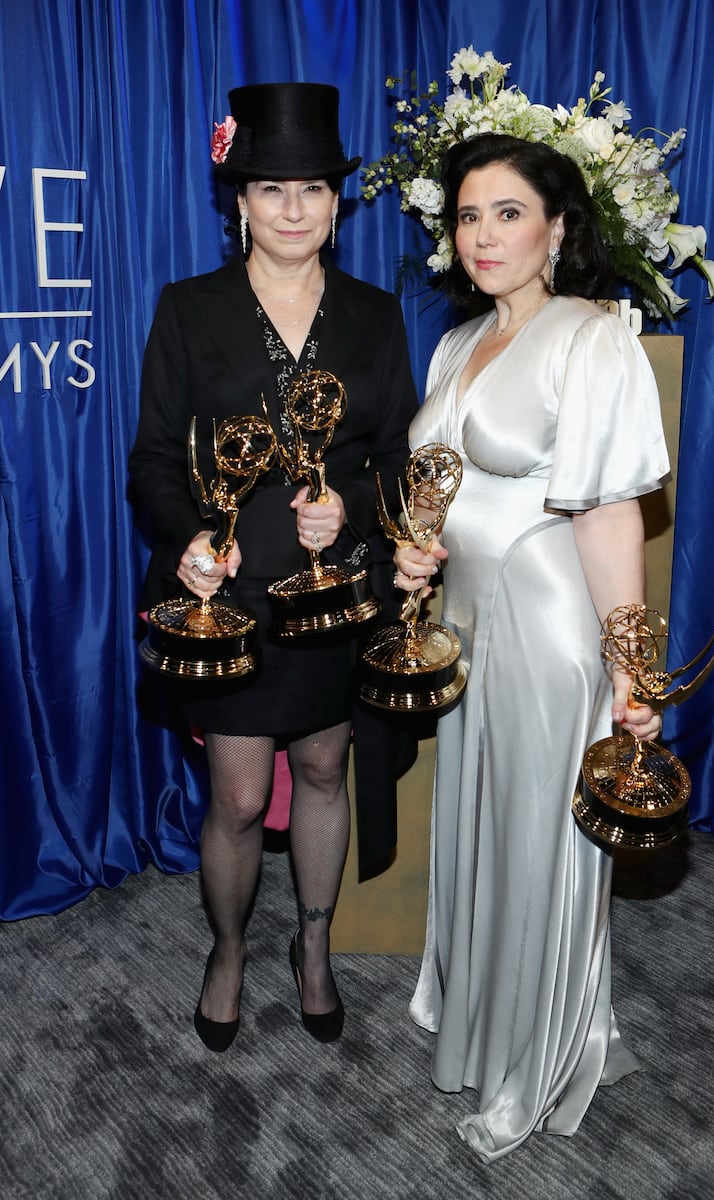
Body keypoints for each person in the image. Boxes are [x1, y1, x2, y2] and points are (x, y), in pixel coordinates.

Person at [394, 133, 670, 1160]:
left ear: (557, 227)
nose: (482, 235)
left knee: (541, 843)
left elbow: (606, 519)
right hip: (467, 626)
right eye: (467, 216)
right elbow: (443, 486)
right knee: (482, 827)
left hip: (549, 633)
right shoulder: (457, 342)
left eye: (507, 212)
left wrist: (629, 670)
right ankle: (478, 1017)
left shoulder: (589, 337)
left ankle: (536, 1057)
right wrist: (418, 555)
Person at [129, 83, 418, 1051]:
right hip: (230, 596)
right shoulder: (190, 308)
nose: (293, 209)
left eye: (312, 190)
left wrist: (363, 516)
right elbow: (155, 459)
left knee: (327, 769)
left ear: (339, 205)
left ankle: (314, 946)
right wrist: (190, 539)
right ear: (238, 203)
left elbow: (396, 463)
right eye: (269, 189)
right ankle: (224, 950)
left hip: (333, 596)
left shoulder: (375, 317)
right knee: (243, 797)